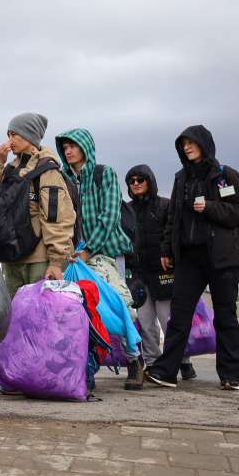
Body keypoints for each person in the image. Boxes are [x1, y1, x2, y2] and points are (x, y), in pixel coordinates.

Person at [145, 125, 239, 391]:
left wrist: (210, 207)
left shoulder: (224, 175)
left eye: (191, 143)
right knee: (178, 316)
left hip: (224, 258)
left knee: (225, 316)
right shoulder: (181, 178)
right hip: (189, 259)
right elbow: (173, 217)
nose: (187, 147)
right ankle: (166, 372)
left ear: (205, 144)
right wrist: (167, 251)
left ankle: (230, 375)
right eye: (183, 144)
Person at [55, 128, 143, 390]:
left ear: (85, 147)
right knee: (79, 309)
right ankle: (86, 364)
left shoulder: (104, 174)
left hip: (104, 252)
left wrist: (89, 249)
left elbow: (110, 216)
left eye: (74, 146)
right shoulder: (64, 180)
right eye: (65, 147)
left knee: (120, 304)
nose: (68, 151)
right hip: (74, 257)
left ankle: (135, 361)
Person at [0, 113, 75, 297]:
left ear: (29, 135)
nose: (10, 140)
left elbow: (57, 217)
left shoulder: (46, 170)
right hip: (11, 257)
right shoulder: (10, 169)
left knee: (40, 317)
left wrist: (56, 262)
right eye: (8, 134)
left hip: (39, 261)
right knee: (17, 318)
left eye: (14, 134)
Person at [125, 165, 195, 380]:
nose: (136, 183)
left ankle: (183, 360)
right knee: (145, 323)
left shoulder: (165, 206)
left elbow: (173, 235)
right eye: (132, 180)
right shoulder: (125, 210)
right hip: (138, 274)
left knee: (169, 321)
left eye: (140, 179)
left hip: (164, 273)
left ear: (150, 181)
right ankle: (154, 364)